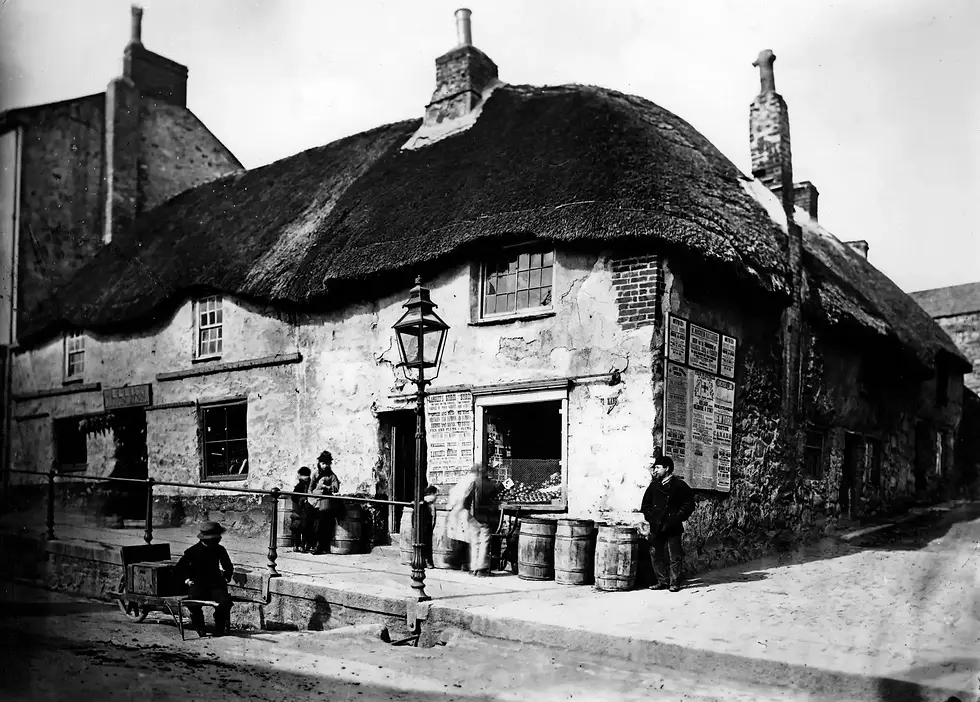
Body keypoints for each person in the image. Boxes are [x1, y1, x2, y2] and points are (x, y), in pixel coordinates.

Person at [640, 455, 695, 592]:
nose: (655, 470)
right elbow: (645, 505)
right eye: (655, 468)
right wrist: (651, 518)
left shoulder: (679, 485)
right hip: (656, 525)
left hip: (673, 525)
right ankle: (662, 581)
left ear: (667, 468)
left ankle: (674, 582)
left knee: (674, 555)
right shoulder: (653, 486)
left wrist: (677, 518)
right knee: (655, 554)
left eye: (658, 468)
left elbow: (689, 504)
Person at [175, 521, 235, 637]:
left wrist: (227, 577)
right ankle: (199, 626)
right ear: (208, 539)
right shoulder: (192, 551)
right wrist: (187, 580)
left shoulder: (219, 549)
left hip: (215, 585)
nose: (219, 540)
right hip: (198, 584)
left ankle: (219, 628)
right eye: (216, 538)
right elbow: (179, 569)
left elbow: (228, 565)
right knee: (194, 603)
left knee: (224, 602)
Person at [447, 463, 503, 577]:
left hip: (472, 516)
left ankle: (473, 568)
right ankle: (481, 568)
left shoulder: (474, 483)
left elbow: (467, 500)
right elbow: (496, 490)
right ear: (486, 473)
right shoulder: (489, 484)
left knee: (475, 542)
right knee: (484, 542)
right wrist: (506, 484)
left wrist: (469, 513)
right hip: (485, 518)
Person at [308, 450, 341, 554]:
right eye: (322, 463)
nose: (324, 466)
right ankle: (307, 544)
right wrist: (311, 500)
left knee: (321, 524)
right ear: (319, 463)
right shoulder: (315, 474)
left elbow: (336, 488)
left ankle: (319, 546)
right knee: (308, 521)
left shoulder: (332, 476)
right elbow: (310, 488)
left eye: (326, 464)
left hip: (325, 502)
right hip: (314, 501)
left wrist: (327, 487)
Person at [290, 466, 312, 552]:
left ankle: (297, 545)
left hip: (299, 510)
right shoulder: (308, 484)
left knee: (297, 528)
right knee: (304, 528)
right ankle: (302, 545)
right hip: (304, 510)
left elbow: (293, 497)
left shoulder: (300, 485)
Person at [420, 484, 438, 568]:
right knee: (423, 544)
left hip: (428, 528)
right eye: (435, 495)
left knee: (428, 544)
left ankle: (427, 561)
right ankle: (425, 561)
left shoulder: (431, 506)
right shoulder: (422, 505)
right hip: (423, 528)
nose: (436, 497)